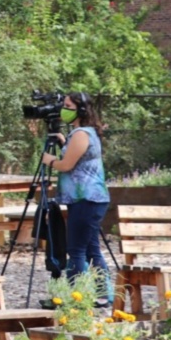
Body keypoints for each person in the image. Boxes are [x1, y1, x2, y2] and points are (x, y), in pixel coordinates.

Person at [42, 91, 112, 307]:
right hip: (90, 199)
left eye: (68, 106)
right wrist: (64, 142)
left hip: (86, 199)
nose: (63, 110)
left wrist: (49, 160)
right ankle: (104, 295)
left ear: (80, 110)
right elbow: (79, 157)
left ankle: (77, 297)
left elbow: (66, 165)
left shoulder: (81, 134)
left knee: (76, 250)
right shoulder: (83, 133)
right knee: (91, 249)